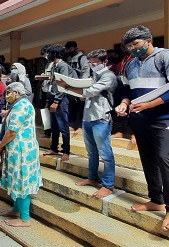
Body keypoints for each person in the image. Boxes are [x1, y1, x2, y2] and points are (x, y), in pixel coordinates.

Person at [115, 26, 169, 231]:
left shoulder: (167, 58)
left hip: (165, 119)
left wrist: (151, 104)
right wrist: (124, 103)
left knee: (167, 161)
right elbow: (126, 89)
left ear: (148, 40)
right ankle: (156, 199)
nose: (133, 49)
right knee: (148, 160)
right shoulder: (130, 64)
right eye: (129, 46)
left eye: (136, 44)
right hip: (141, 120)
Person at [57, 49, 117, 198]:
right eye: (90, 63)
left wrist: (68, 87)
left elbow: (91, 92)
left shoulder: (109, 76)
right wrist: (78, 91)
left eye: (95, 63)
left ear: (105, 62)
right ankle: (92, 178)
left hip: (101, 117)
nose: (91, 66)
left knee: (106, 153)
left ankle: (108, 184)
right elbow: (85, 96)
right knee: (91, 151)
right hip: (88, 117)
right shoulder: (93, 76)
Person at [0, 82, 43, 227]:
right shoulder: (20, 104)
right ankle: (16, 210)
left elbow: (11, 132)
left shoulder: (21, 106)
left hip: (22, 150)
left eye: (8, 93)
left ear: (15, 92)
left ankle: (25, 218)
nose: (7, 96)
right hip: (19, 148)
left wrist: (0, 145)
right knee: (15, 179)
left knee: (21, 182)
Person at [43, 44, 75, 162]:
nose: (48, 55)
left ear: (55, 54)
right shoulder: (53, 66)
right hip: (52, 98)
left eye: (49, 53)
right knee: (54, 126)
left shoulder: (63, 66)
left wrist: (56, 101)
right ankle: (54, 148)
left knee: (63, 126)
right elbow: (52, 83)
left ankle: (66, 151)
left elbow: (63, 85)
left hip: (60, 100)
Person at [65, 41, 90, 135]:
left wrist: (82, 85)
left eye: (71, 48)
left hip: (80, 86)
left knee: (81, 107)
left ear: (76, 48)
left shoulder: (82, 58)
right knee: (72, 106)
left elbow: (86, 72)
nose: (69, 51)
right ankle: (71, 124)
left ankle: (81, 126)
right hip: (70, 86)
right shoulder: (68, 59)